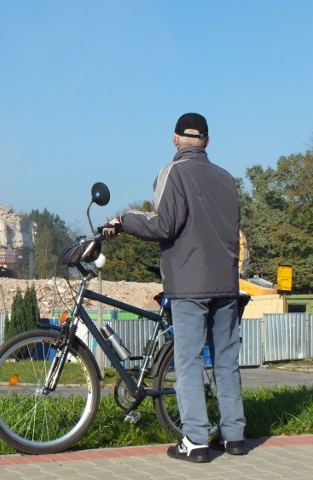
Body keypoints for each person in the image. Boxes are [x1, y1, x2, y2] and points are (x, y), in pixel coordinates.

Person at [103, 113, 246, 463]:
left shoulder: (174, 172)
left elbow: (164, 224)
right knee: (226, 360)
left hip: (189, 284)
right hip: (226, 284)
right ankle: (234, 437)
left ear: (174, 139)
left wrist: (124, 221)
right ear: (208, 142)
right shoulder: (227, 179)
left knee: (189, 360)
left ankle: (195, 440)